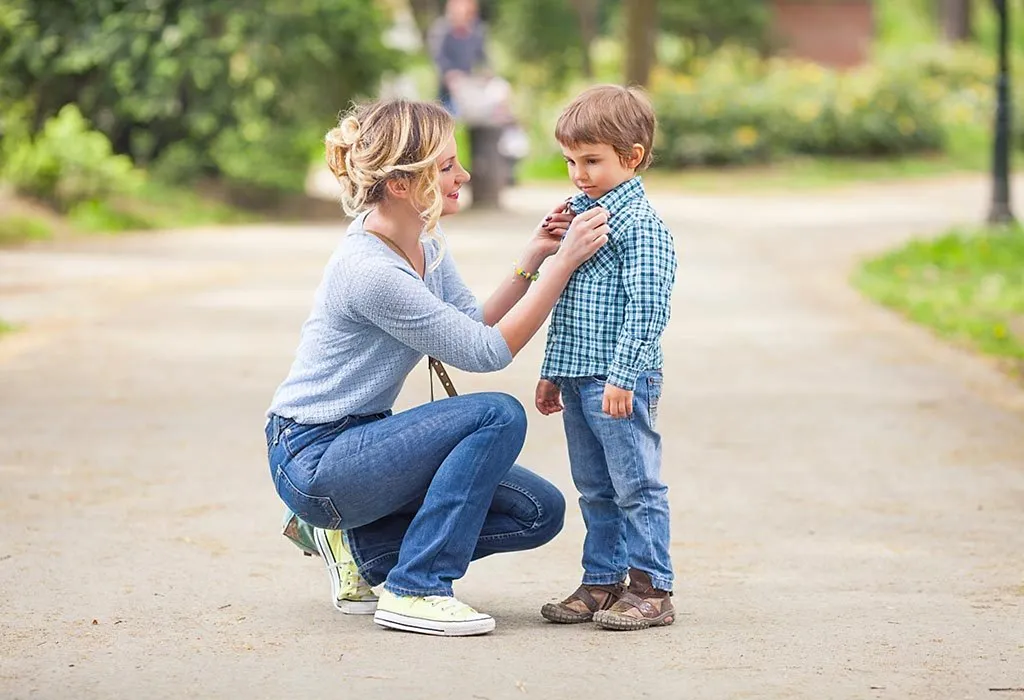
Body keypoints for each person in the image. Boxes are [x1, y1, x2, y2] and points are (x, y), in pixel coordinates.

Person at [265, 98, 610, 637]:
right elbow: (487, 354)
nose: (463, 175)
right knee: (497, 414)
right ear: (402, 184)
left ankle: (363, 547)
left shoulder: (424, 240)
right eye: (447, 166)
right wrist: (563, 267)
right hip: (313, 455)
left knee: (538, 511)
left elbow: (471, 323)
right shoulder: (370, 270)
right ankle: (417, 587)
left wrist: (536, 256)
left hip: (364, 441)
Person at [534, 85, 679, 631]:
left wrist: (624, 375)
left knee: (636, 484)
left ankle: (651, 588)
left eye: (592, 160)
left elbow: (647, 309)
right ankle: (602, 580)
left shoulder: (640, 227)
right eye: (571, 160)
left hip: (619, 380)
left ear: (632, 157)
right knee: (593, 486)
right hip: (577, 377)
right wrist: (552, 373)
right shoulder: (581, 218)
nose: (578, 172)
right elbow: (567, 302)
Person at [428, 0, 488, 115]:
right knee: (446, 111)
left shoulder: (476, 32)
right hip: (448, 85)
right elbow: (438, 55)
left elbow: (482, 56)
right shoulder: (441, 30)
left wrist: (484, 71)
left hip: (468, 81)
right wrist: (449, 73)